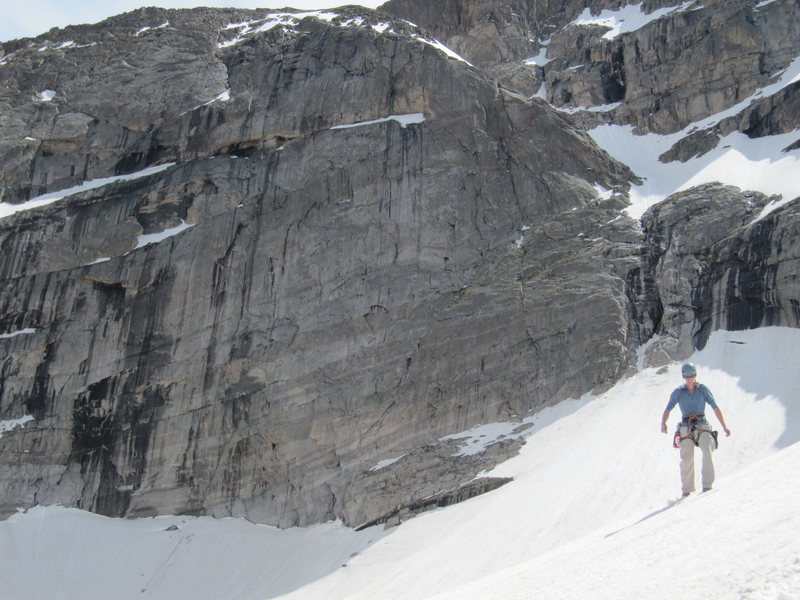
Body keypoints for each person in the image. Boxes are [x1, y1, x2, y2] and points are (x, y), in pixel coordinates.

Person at [660, 362, 731, 496]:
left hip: (701, 423)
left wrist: (724, 426)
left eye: (691, 376)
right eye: (687, 376)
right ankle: (687, 490)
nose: (689, 379)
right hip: (686, 425)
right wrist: (663, 423)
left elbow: (715, 407)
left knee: (707, 449)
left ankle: (707, 486)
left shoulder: (702, 389)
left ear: (695, 376)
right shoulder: (678, 392)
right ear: (683, 377)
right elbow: (668, 409)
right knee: (687, 458)